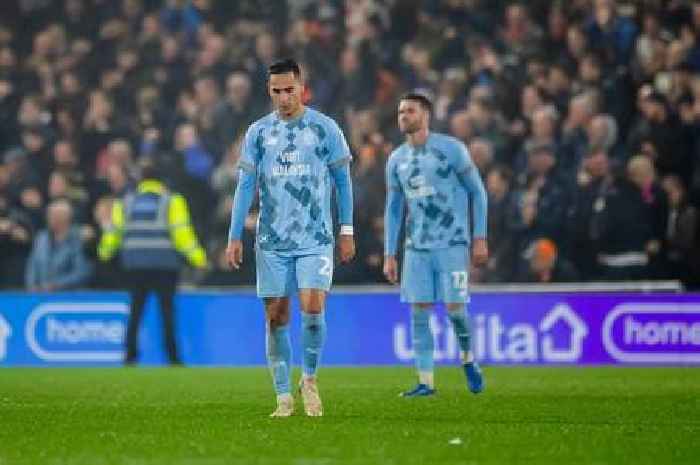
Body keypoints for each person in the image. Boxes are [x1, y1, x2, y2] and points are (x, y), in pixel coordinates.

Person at [226, 59, 355, 417]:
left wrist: (347, 230)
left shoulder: (325, 128)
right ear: (270, 91)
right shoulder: (258, 133)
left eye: (289, 90)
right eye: (276, 91)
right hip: (271, 241)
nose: (283, 98)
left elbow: (343, 182)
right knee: (276, 317)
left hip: (316, 237)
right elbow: (245, 186)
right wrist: (234, 235)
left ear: (302, 88)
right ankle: (283, 396)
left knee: (313, 309)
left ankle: (309, 380)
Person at [383, 93, 488, 397]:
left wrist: (479, 237)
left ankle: (468, 358)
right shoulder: (396, 160)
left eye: (410, 111)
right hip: (416, 248)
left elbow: (478, 193)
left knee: (456, 311)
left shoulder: (451, 150)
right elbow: (393, 209)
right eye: (400, 111)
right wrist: (390, 253)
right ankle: (425, 382)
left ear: (425, 114)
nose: (403, 116)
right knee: (419, 313)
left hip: (452, 243)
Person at [97, 158, 207, 365]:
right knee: (166, 312)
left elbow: (114, 232)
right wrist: (198, 258)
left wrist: (104, 252)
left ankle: (130, 356)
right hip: (165, 265)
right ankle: (173, 357)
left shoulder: (126, 202)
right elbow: (182, 234)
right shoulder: (172, 200)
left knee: (136, 311)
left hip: (135, 265)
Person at [25, 198, 91, 291]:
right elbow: (32, 265)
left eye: (53, 215)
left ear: (66, 217)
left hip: (68, 296)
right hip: (40, 294)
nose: (49, 218)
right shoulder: (41, 237)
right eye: (49, 214)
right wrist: (31, 285)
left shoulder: (78, 238)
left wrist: (57, 285)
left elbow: (82, 271)